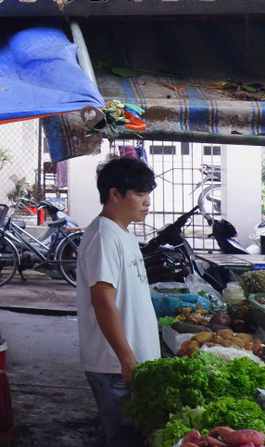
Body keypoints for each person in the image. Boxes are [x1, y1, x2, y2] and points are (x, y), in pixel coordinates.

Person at [76, 157, 159, 447]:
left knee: (124, 436)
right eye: (139, 194)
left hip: (130, 363)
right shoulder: (103, 236)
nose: (146, 202)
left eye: (148, 194)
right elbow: (102, 300)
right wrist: (126, 359)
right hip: (114, 366)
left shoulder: (123, 233)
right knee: (124, 439)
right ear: (114, 194)